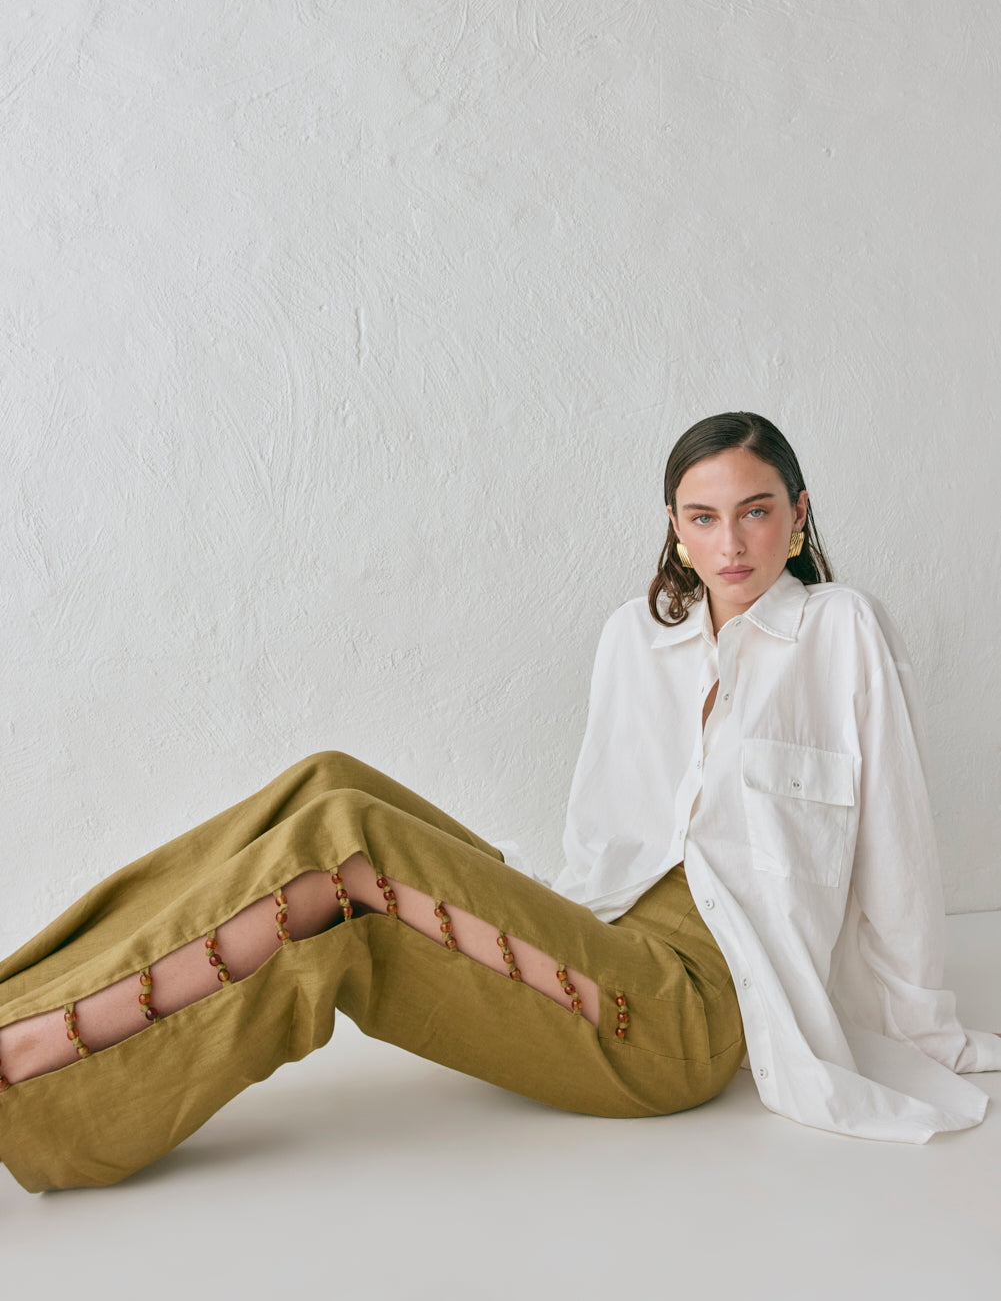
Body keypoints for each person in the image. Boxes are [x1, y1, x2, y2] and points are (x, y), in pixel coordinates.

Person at [1, 412, 997, 1192]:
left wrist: (922, 1029)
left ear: (798, 513)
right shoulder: (635, 640)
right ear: (673, 527)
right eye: (702, 516)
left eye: (756, 511)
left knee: (342, 848)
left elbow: (897, 849)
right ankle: (22, 997)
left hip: (679, 1018)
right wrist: (525, 910)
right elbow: (605, 846)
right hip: (603, 942)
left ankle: (32, 1079)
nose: (730, 542)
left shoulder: (840, 630)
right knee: (328, 778)